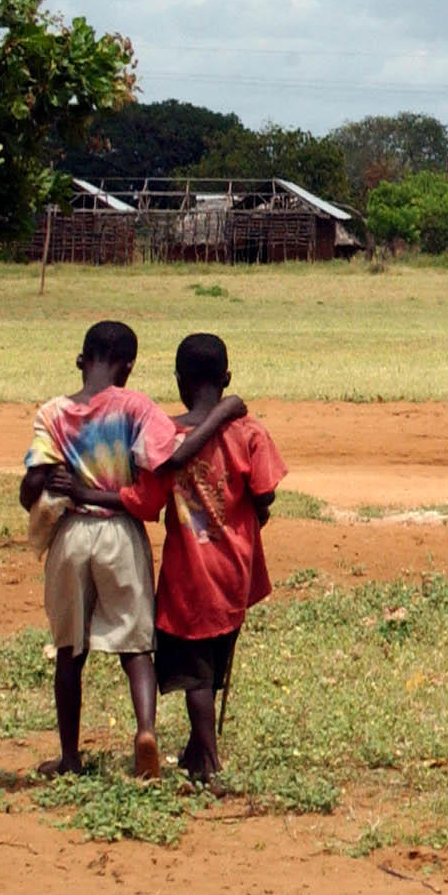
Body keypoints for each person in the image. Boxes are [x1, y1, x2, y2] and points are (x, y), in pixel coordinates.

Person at [19, 319, 247, 779]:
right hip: (121, 532)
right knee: (137, 646)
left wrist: (65, 483)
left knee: (69, 650)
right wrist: (225, 411)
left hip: (72, 535)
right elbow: (172, 459)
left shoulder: (52, 413)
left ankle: (70, 756)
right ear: (129, 368)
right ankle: (145, 731)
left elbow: (31, 487)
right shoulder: (139, 408)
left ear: (81, 362)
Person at [99, 333, 285, 783]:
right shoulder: (250, 432)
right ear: (226, 379)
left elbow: (144, 504)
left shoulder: (166, 436)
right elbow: (266, 494)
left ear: (180, 381)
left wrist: (100, 495)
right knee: (214, 656)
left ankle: (208, 761)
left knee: (196, 676)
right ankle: (196, 748)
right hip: (236, 569)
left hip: (189, 575)